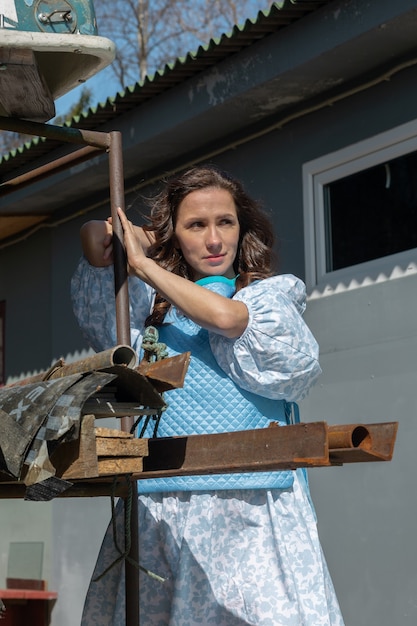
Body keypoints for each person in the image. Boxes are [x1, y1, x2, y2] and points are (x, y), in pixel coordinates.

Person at [71, 165, 344, 626]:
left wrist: (146, 263)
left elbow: (224, 319)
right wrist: (137, 240)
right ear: (172, 236)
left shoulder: (266, 300)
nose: (215, 240)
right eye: (196, 225)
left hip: (251, 504)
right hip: (165, 506)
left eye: (226, 222)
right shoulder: (149, 319)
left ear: (243, 228)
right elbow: (96, 238)